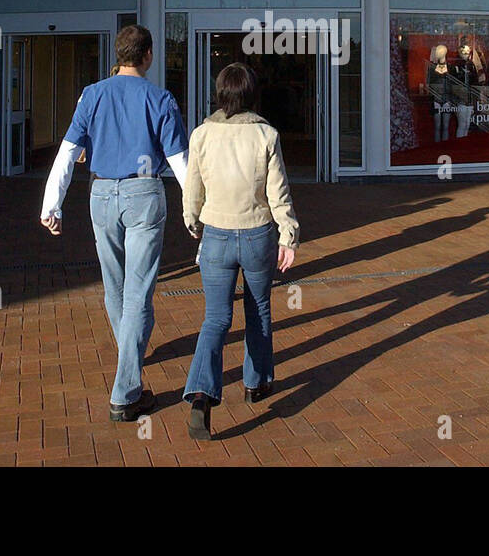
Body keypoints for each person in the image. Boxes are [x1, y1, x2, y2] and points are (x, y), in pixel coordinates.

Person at [39, 24, 189, 423]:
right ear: (148, 55)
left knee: (115, 286)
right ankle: (126, 391)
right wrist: (196, 210)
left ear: (120, 54)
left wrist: (51, 204)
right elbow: (179, 162)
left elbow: (68, 152)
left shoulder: (92, 95)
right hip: (144, 195)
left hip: (101, 194)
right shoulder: (160, 98)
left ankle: (130, 352)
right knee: (139, 292)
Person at [181, 62, 299, 441]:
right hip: (256, 232)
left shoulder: (201, 134)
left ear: (220, 93)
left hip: (215, 231)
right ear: (251, 93)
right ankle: (256, 382)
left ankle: (201, 394)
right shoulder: (266, 134)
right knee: (258, 310)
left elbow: (192, 189)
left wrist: (193, 223)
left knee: (215, 318)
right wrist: (288, 235)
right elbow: (277, 192)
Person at [426, 44, 455, 144]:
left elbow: (453, 84)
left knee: (446, 126)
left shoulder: (451, 68)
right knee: (437, 126)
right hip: (436, 100)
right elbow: (429, 84)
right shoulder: (432, 68)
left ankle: (445, 146)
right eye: (437, 51)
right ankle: (437, 147)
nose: (438, 53)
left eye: (441, 51)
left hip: (447, 99)